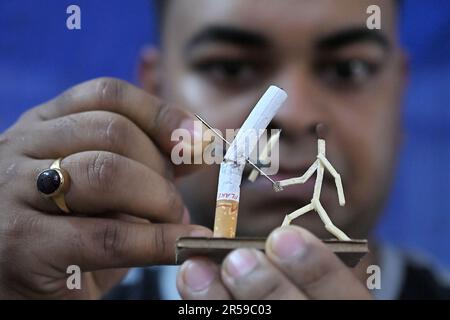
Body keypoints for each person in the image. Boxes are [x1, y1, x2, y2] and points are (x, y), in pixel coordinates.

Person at [0, 0, 449, 300]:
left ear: (400, 93)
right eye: (230, 67)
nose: (294, 115)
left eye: (348, 69)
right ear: (157, 89)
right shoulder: (64, 288)